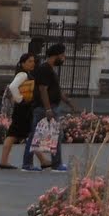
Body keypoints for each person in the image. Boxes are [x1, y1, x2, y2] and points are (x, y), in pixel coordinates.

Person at [24, 43, 76, 172]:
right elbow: (43, 89)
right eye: (62, 55)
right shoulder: (45, 69)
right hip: (44, 108)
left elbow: (56, 90)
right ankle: (55, 164)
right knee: (48, 135)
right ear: (56, 55)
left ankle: (30, 164)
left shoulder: (50, 69)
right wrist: (48, 109)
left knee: (46, 134)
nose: (64, 58)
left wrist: (68, 102)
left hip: (48, 107)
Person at [0, 54, 36, 170]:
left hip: (23, 107)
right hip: (23, 108)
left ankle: (4, 161)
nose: (32, 63)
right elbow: (13, 87)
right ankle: (3, 161)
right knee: (22, 134)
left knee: (22, 134)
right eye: (29, 61)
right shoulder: (23, 74)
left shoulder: (25, 74)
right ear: (23, 63)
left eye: (33, 61)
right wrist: (20, 99)